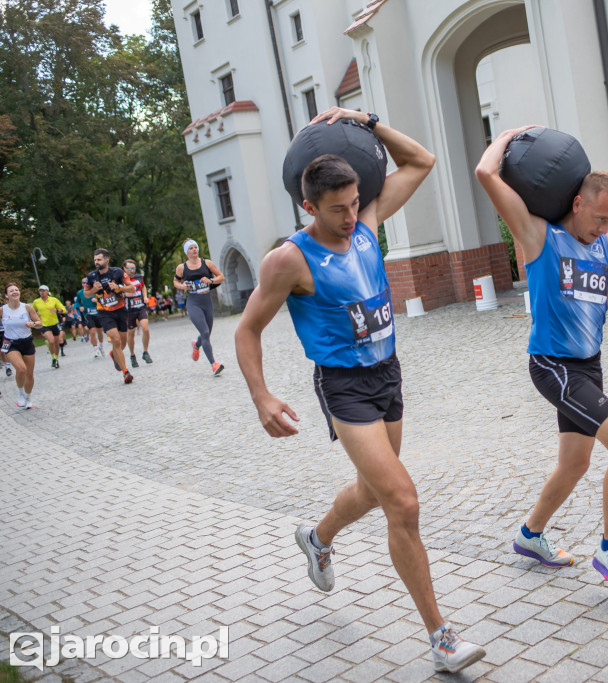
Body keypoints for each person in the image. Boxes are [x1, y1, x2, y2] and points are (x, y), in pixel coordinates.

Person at [235, 107, 486, 673]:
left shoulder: (366, 223)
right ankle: (442, 638)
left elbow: (421, 160)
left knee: (374, 492)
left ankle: (318, 536)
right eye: (336, 209)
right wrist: (262, 396)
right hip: (344, 385)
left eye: (354, 204)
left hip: (388, 374)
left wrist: (367, 121)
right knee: (402, 500)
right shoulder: (289, 260)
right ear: (308, 207)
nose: (350, 217)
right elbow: (247, 329)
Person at [476, 126, 608, 590]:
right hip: (552, 365)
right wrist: (507, 136)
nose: (603, 228)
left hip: (589, 365)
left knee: (575, 463)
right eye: (600, 218)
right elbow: (486, 172)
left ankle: (530, 536)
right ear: (578, 203)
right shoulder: (538, 237)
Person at [84, 248, 136, 384]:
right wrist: (94, 290)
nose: (96, 262)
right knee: (115, 339)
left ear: (107, 260)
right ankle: (126, 372)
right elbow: (86, 294)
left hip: (120, 310)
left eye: (99, 259)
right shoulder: (91, 276)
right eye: (95, 260)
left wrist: (118, 288)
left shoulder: (117, 272)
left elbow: (132, 288)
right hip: (104, 312)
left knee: (122, 342)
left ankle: (114, 354)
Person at [174, 240, 226, 375]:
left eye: (195, 247)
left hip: (206, 301)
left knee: (207, 332)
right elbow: (175, 281)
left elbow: (221, 277)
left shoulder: (207, 263)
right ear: (187, 252)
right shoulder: (182, 267)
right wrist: (182, 286)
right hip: (193, 302)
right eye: (191, 248)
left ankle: (196, 345)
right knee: (205, 333)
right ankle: (214, 364)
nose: (194, 250)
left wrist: (211, 280)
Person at [2, 282, 43, 408]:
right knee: (21, 369)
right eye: (11, 291)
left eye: (16, 290)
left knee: (29, 374)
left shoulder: (27, 308)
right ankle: (20, 393)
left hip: (27, 342)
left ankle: (27, 398)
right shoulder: (3, 310)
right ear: (6, 295)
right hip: (11, 343)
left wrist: (33, 324)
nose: (15, 292)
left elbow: (39, 323)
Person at [123, 259, 153, 367]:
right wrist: (125, 294)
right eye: (129, 268)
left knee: (145, 328)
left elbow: (143, 286)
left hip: (140, 307)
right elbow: (117, 292)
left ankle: (145, 352)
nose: (132, 271)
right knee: (131, 333)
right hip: (129, 310)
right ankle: (132, 355)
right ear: (124, 269)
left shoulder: (139, 277)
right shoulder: (121, 279)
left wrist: (145, 297)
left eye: (133, 268)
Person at [31, 285, 66, 369]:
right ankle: (53, 357)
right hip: (44, 325)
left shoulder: (54, 300)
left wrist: (57, 310)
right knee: (51, 341)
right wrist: (35, 318)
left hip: (55, 324)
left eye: (43, 291)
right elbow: (31, 311)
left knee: (56, 343)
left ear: (47, 291)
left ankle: (56, 359)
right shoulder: (36, 302)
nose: (42, 292)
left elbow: (64, 310)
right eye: (40, 291)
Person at [76, 280, 103, 357]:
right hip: (88, 314)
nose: (84, 284)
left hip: (98, 313)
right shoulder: (80, 293)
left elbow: (104, 299)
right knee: (92, 331)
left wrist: (97, 300)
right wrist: (79, 306)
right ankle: (96, 350)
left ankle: (101, 346)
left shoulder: (96, 290)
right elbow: (77, 302)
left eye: (86, 282)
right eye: (83, 283)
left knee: (100, 331)